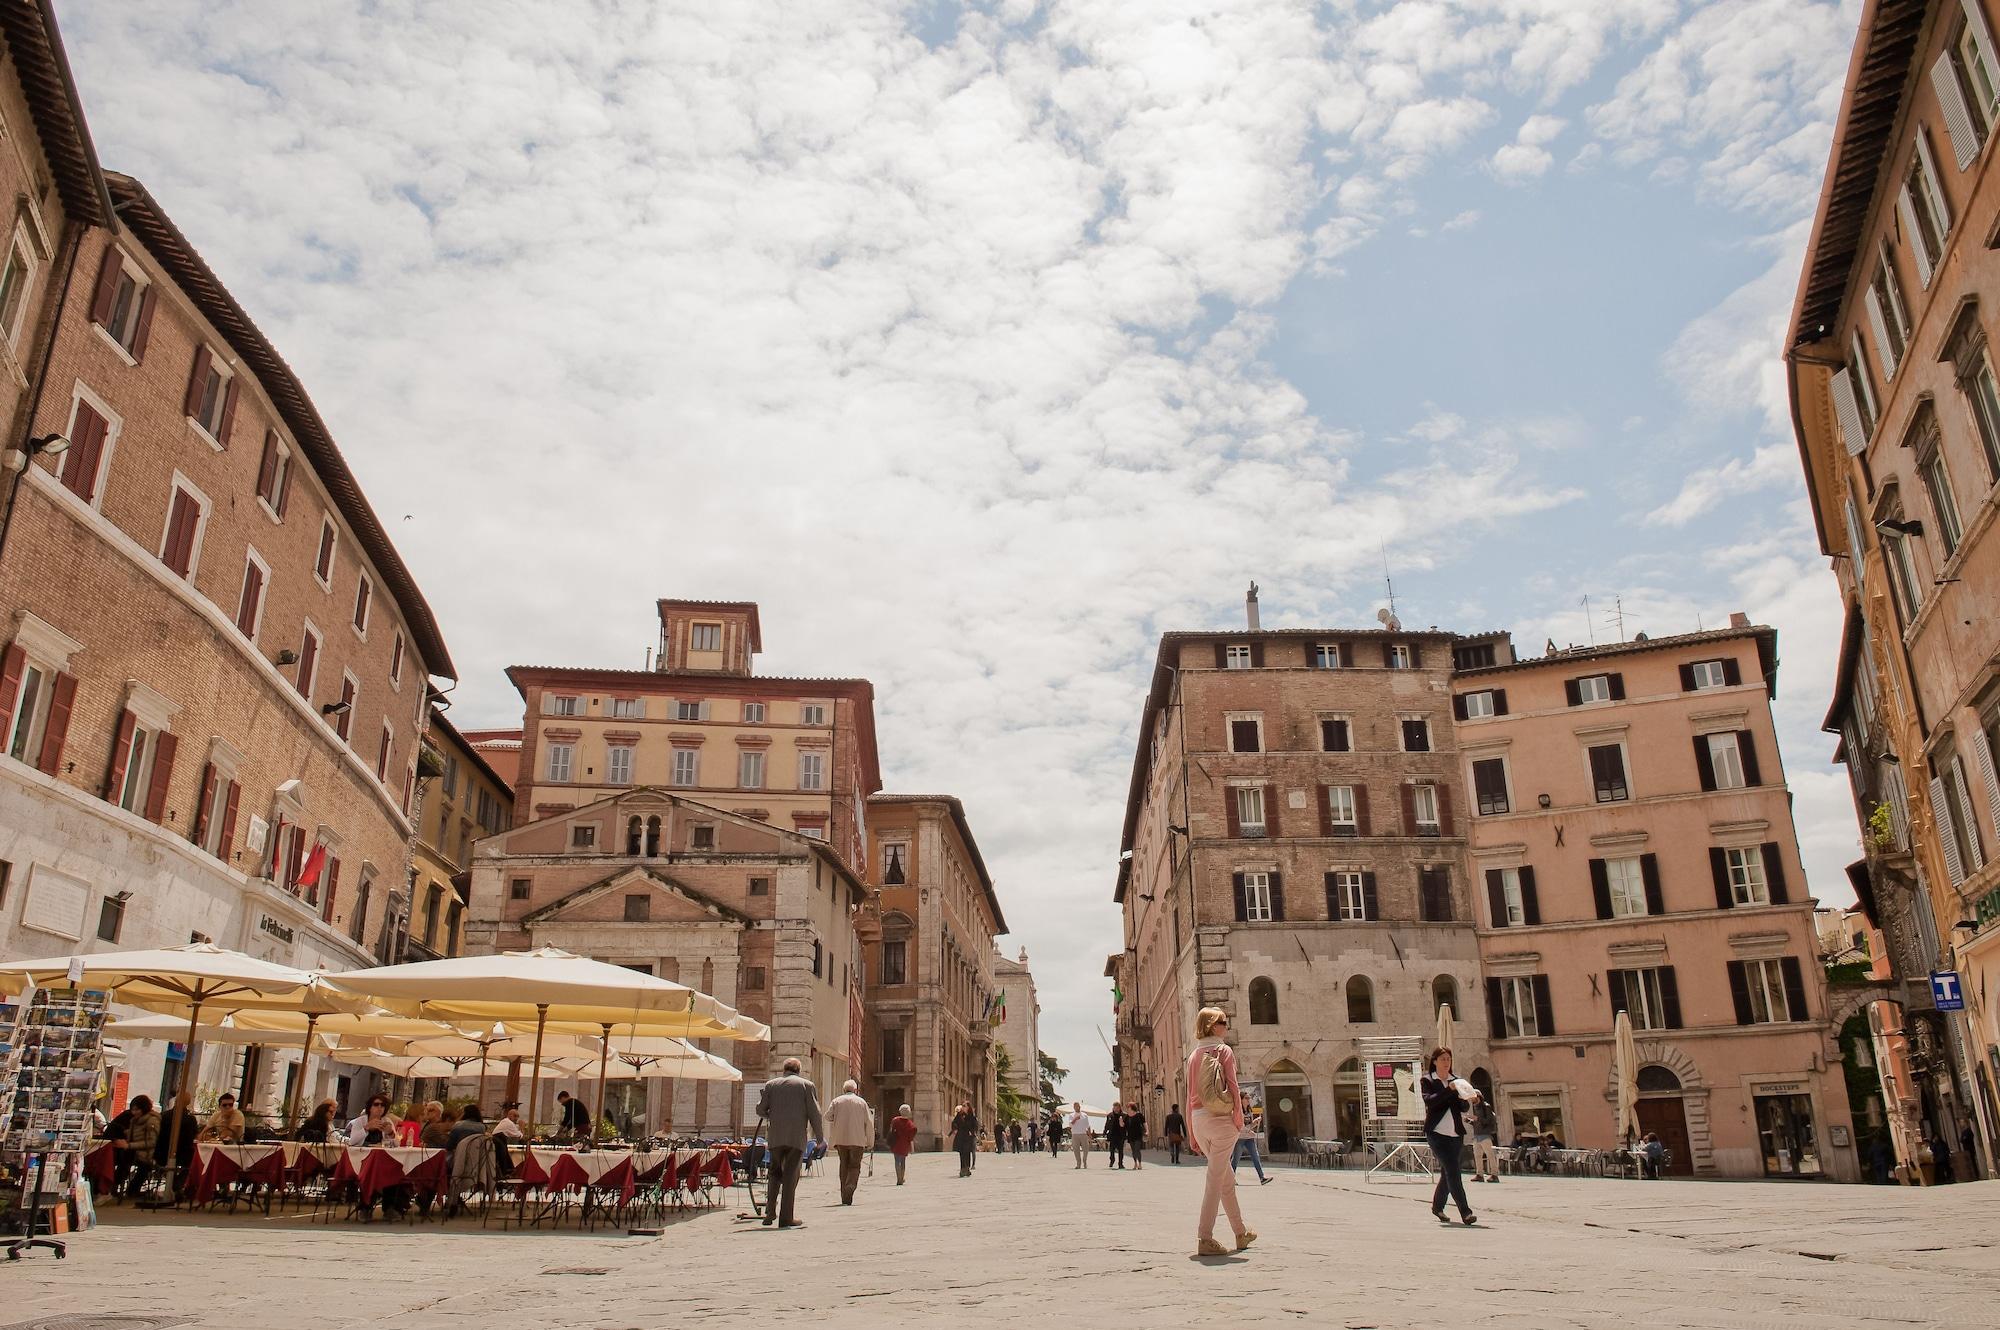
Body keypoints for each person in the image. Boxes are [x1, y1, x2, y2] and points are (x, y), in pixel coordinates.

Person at [1187, 1006, 1254, 1257]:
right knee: (1215, 1180)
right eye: (1222, 1022)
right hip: (1220, 1121)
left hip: (1198, 1120)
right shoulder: (1223, 1050)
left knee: (1225, 1180)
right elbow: (1233, 1085)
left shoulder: (1194, 1055)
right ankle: (1205, 1237)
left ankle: (1240, 1232)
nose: (1226, 1025)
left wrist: (1192, 1132)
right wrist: (1238, 1117)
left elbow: (1188, 1095)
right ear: (1211, 1026)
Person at [756, 1056, 824, 1229]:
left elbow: (760, 1109)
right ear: (798, 1070)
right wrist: (820, 1138)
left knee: (774, 1173)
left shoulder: (771, 1085)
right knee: (790, 1176)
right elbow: (814, 1114)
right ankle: (786, 1217)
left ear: (784, 1069)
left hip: (776, 1137)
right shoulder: (806, 1085)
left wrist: (771, 1114)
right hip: (796, 1138)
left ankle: (770, 1211)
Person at [1419, 1047, 1477, 1227]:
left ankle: (1437, 1207)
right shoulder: (1428, 1080)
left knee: (1447, 1172)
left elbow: (1462, 1108)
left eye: (1449, 1059)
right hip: (1436, 1133)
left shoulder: (1457, 1080)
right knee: (1453, 1171)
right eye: (1443, 1059)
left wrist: (1470, 1098)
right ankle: (1466, 1213)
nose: (1446, 1062)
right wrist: (1449, 1090)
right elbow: (1431, 1101)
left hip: (1455, 1134)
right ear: (1435, 1061)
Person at [825, 1079, 873, 1206]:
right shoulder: (861, 1102)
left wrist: (838, 1117)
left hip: (841, 1139)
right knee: (855, 1166)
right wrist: (870, 1141)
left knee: (843, 1166)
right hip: (857, 1140)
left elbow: (827, 1116)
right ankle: (850, 1186)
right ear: (855, 1090)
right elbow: (869, 1122)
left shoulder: (836, 1101)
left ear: (843, 1089)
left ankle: (844, 1197)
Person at [120, 1096, 160, 1198]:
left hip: (147, 1154)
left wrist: (129, 1145)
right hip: (134, 1151)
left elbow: (152, 1142)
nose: (134, 1112)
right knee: (121, 1157)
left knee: (130, 1161)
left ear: (144, 1108)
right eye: (132, 1109)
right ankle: (116, 1185)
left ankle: (127, 1188)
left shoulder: (152, 1121)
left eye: (136, 1109)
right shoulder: (134, 1120)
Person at [1232, 1093, 1270, 1185]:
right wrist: (1249, 1130)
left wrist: (1255, 1122)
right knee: (1236, 1159)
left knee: (1255, 1157)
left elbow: (1249, 1125)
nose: (1249, 1100)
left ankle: (1262, 1177)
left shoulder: (1249, 1110)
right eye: (1246, 1098)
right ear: (1241, 1099)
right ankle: (1230, 1178)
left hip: (1249, 1138)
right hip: (1240, 1138)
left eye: (1249, 1098)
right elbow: (1239, 1126)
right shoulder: (1237, 1111)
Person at [1467, 1094, 1500, 1183]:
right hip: (1477, 1135)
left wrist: (1477, 1118)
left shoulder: (1486, 1106)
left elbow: (1487, 1120)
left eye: (1472, 1097)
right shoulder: (1476, 1107)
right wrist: (1469, 1121)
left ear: (1478, 1097)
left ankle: (1494, 1174)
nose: (1471, 1099)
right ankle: (1479, 1174)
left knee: (1490, 1155)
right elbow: (1477, 1123)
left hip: (1485, 1135)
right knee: (1477, 1156)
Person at [889, 1104, 918, 1185]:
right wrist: (912, 1149)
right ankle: (902, 1178)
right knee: (903, 1161)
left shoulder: (895, 1120)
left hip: (896, 1143)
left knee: (896, 1161)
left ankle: (898, 1178)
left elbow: (891, 1130)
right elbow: (911, 1138)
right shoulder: (911, 1124)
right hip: (905, 1145)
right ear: (909, 1112)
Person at [950, 1103, 979, 1177]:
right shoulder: (959, 1115)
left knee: (967, 1152)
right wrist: (955, 1128)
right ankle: (962, 1168)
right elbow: (954, 1123)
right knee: (962, 1153)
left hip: (968, 1137)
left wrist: (972, 1132)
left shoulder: (971, 1116)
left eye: (964, 1106)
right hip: (960, 1136)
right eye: (962, 1106)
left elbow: (975, 1125)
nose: (963, 1107)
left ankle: (967, 1168)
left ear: (968, 1107)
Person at [1067, 1102, 1091, 1168]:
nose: (1077, 1107)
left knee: (1086, 1149)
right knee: (1076, 1149)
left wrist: (1090, 1134)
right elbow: (1070, 1124)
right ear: (1074, 1107)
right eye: (1076, 1106)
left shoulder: (1084, 1115)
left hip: (1083, 1134)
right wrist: (1075, 1119)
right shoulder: (1071, 1115)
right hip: (1075, 1134)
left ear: (1080, 1106)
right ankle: (1078, 1163)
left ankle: (1084, 1160)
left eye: (1078, 1106)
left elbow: (1088, 1126)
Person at [1125, 1102, 1147, 1170]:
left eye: (1129, 1107)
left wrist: (1147, 1131)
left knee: (1137, 1150)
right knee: (1133, 1151)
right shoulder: (1127, 1117)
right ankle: (1135, 1163)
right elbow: (1123, 1125)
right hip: (1131, 1135)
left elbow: (1144, 1123)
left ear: (1132, 1108)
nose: (1128, 1109)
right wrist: (1120, 1122)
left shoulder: (1139, 1115)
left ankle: (1140, 1164)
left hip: (1138, 1135)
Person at [1105, 1104, 1127, 1169]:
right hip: (1112, 1135)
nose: (1116, 1109)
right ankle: (1112, 1160)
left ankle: (1120, 1163)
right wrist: (1105, 1131)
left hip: (1121, 1135)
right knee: (1111, 1150)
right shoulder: (1110, 1115)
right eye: (1114, 1108)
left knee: (1120, 1150)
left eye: (1117, 1108)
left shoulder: (1124, 1115)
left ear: (1120, 1108)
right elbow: (1107, 1124)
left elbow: (1127, 1125)